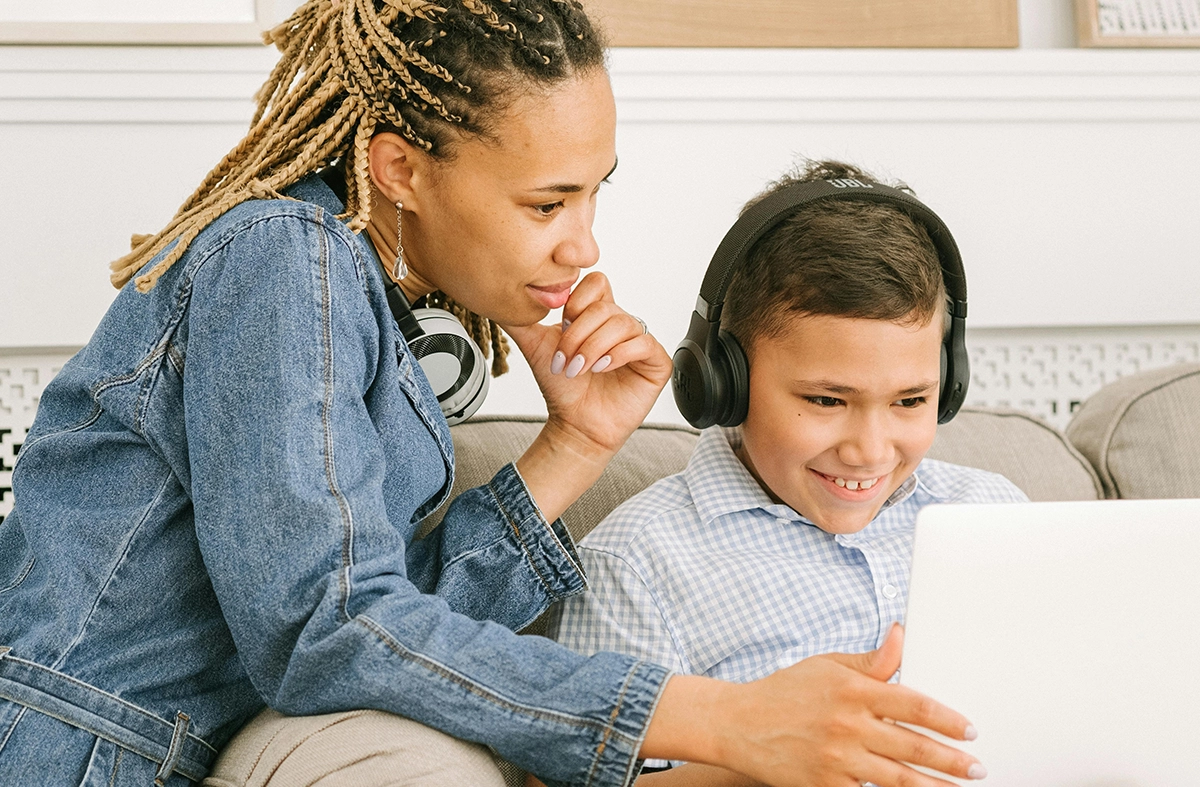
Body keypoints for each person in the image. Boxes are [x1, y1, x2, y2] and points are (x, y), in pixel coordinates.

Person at [0, 0, 984, 783]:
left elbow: (396, 625)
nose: (583, 243)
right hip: (81, 753)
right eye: (546, 202)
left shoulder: (361, 303)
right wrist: (720, 715)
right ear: (400, 170)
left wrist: (577, 443)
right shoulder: (279, 257)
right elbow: (325, 630)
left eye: (595, 191)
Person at [547, 160, 1030, 785]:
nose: (870, 451)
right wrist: (762, 759)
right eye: (828, 401)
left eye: (911, 401)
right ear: (724, 383)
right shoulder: (639, 564)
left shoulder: (997, 514)